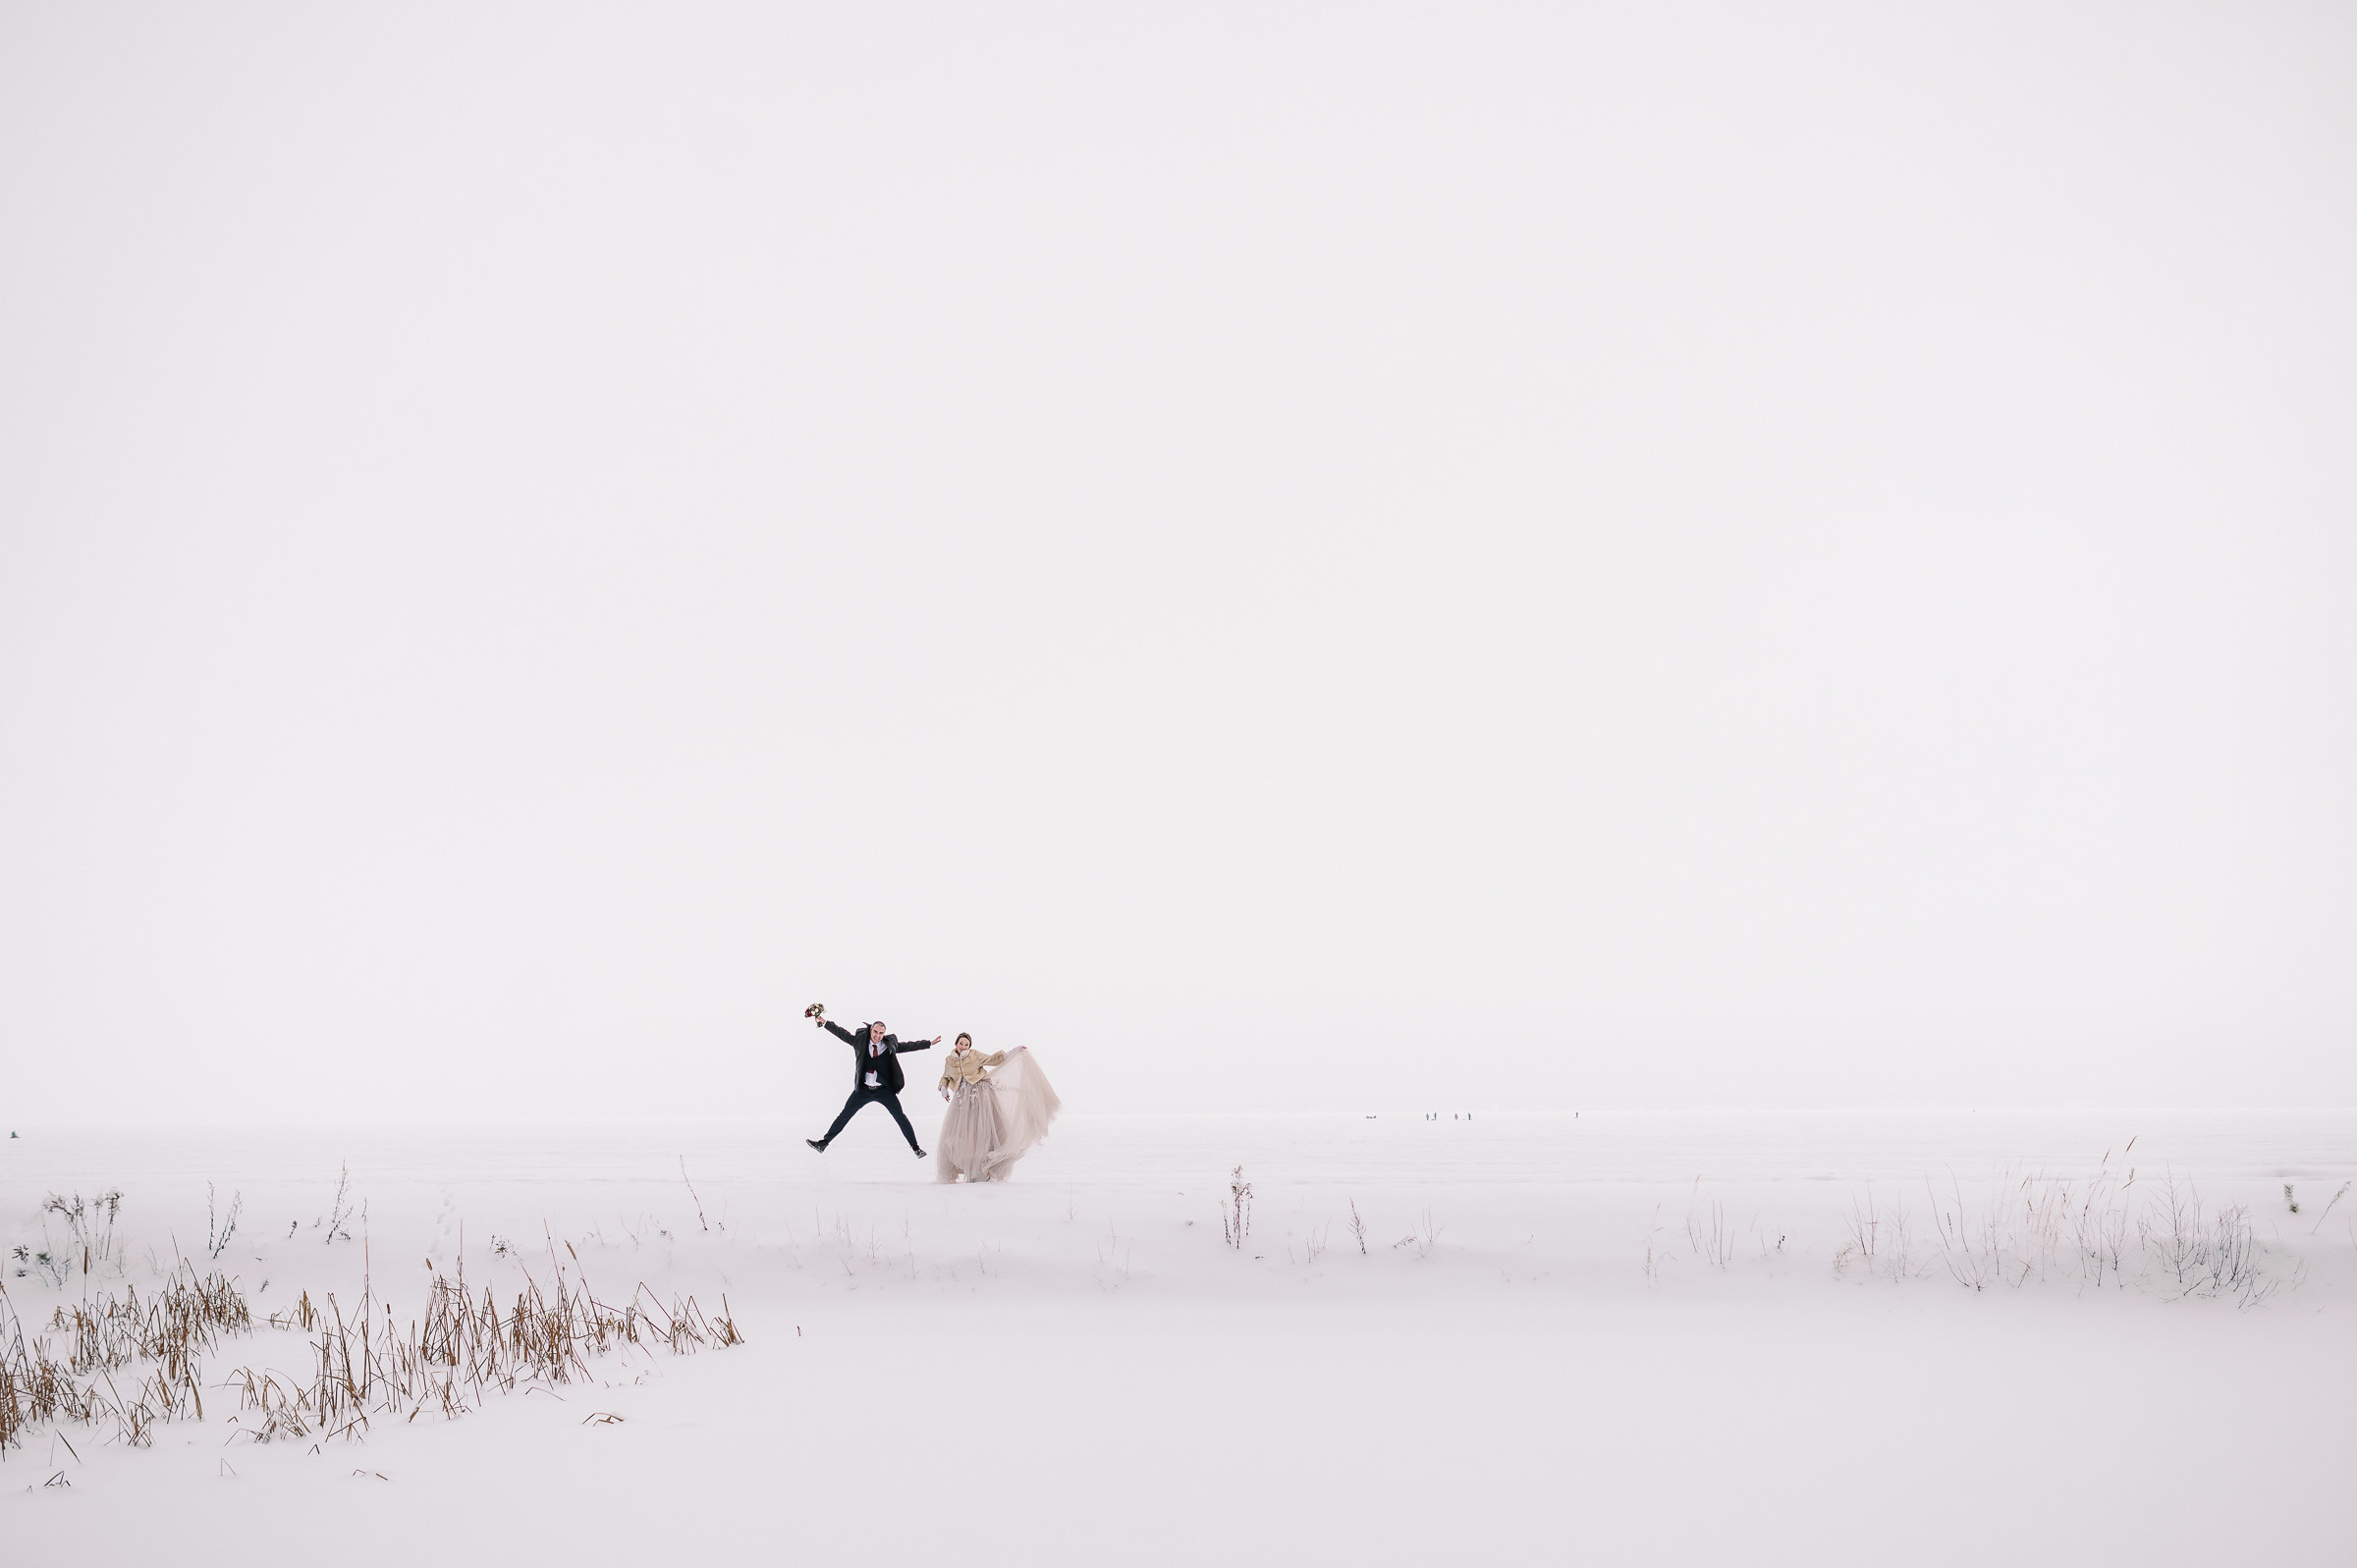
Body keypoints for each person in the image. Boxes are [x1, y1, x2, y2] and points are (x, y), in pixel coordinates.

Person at [934, 1031, 1061, 1183]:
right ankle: (970, 1168)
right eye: (961, 1043)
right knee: (961, 1135)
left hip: (980, 1095)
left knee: (984, 1131)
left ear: (969, 1046)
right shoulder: (949, 1060)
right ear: (956, 1044)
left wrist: (1015, 1050)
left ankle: (984, 1169)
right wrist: (943, 1088)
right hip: (962, 1100)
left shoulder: (974, 1055)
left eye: (966, 1044)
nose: (963, 1046)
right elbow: (946, 1076)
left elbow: (992, 1059)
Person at [807, 1016, 937, 1157]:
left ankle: (916, 1148)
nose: (877, 1036)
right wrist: (823, 1021)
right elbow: (841, 1033)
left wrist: (929, 1043)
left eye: (881, 1033)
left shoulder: (889, 1046)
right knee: (844, 1115)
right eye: (875, 1032)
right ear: (870, 1030)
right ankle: (824, 1143)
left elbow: (909, 1046)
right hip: (863, 1090)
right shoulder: (859, 1042)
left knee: (900, 1117)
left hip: (884, 1091)